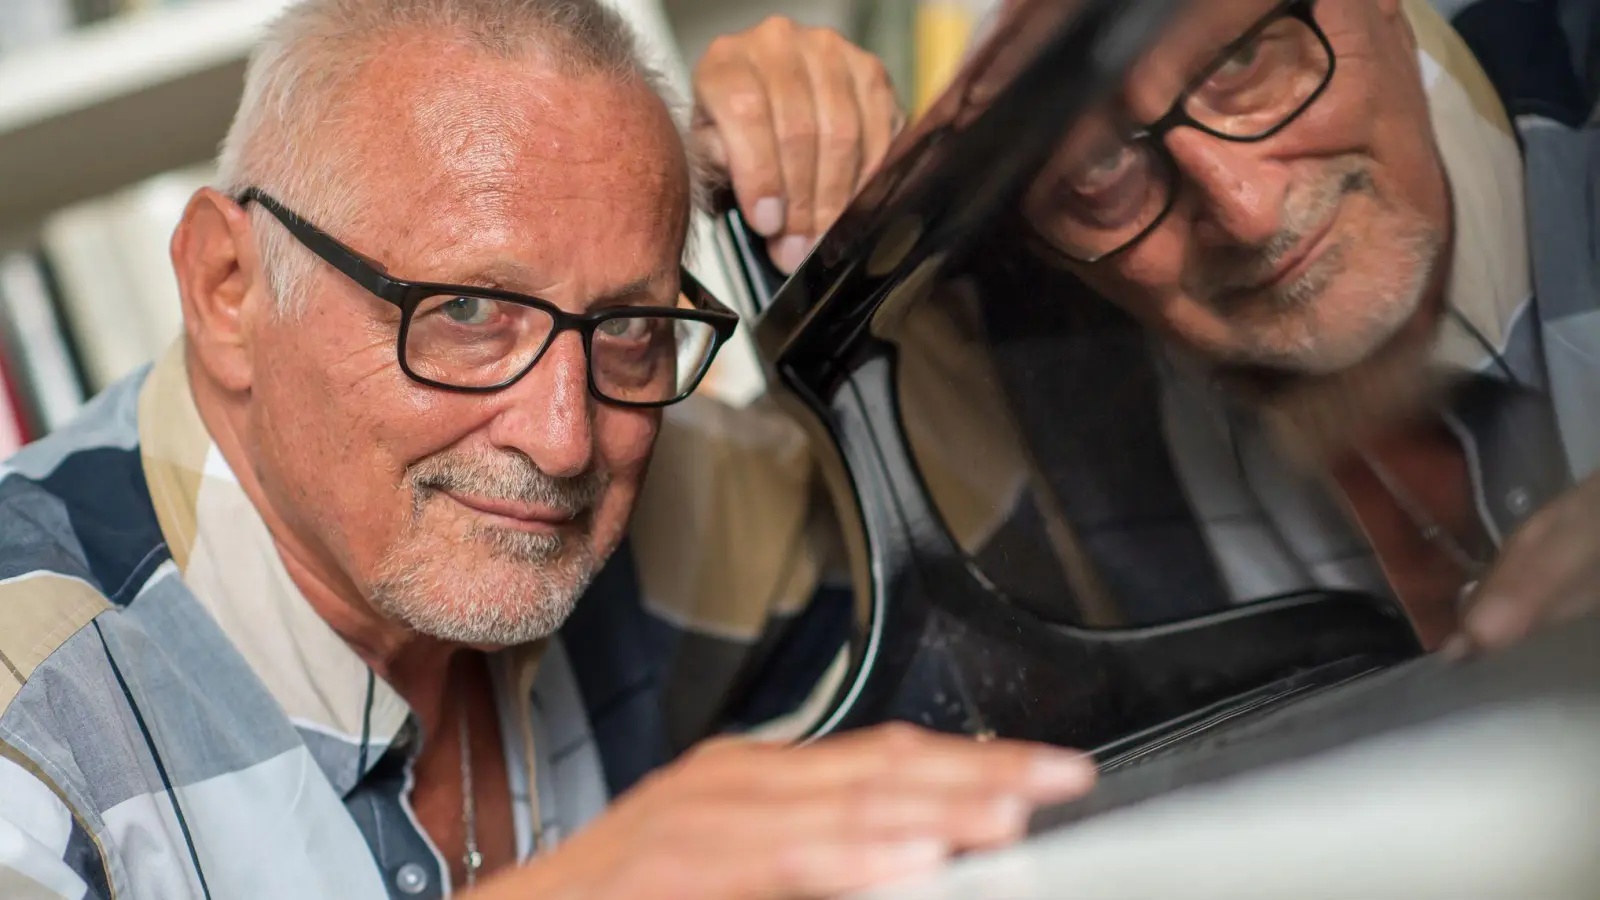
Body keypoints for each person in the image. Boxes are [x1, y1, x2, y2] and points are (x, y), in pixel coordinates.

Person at [0, 2, 1096, 899]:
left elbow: (1000, 517)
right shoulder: (27, 692)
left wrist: (853, 205)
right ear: (226, 289)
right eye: (467, 312)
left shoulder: (664, 505)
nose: (564, 442)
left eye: (628, 328)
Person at [1004, 0, 1600, 652]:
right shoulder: (1106, 446)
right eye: (1097, 168)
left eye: (1242, 59)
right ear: (1044, 250)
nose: (1248, 214)